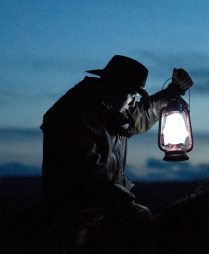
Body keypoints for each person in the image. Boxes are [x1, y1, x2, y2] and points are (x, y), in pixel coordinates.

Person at [39, 55, 193, 227]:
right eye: (132, 96)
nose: (134, 104)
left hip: (104, 206)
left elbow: (143, 115)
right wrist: (126, 203)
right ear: (114, 88)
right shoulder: (76, 112)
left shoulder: (112, 110)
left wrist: (171, 93)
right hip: (71, 213)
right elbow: (87, 169)